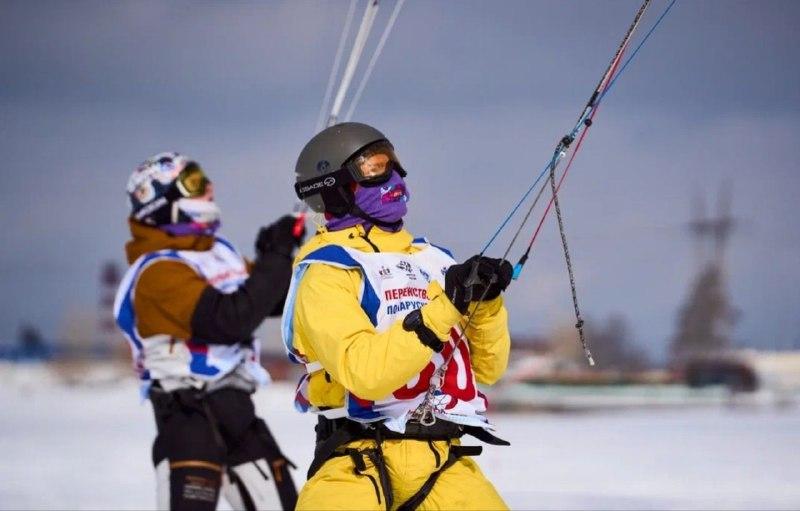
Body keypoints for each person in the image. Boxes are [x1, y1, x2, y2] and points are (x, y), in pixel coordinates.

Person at [282, 123, 514, 510]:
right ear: (335, 186)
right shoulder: (327, 270)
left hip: (444, 460)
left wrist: (486, 304)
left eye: (393, 163)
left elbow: (488, 369)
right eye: (374, 167)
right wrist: (446, 308)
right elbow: (365, 374)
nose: (394, 177)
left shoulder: (434, 260)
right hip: (356, 461)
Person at [113, 152, 301, 511]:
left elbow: (267, 298)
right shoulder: (158, 271)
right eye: (194, 183)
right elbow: (229, 320)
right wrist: (274, 259)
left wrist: (277, 257)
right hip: (187, 416)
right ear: (158, 201)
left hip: (236, 410)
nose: (209, 188)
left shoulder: (218, 253)